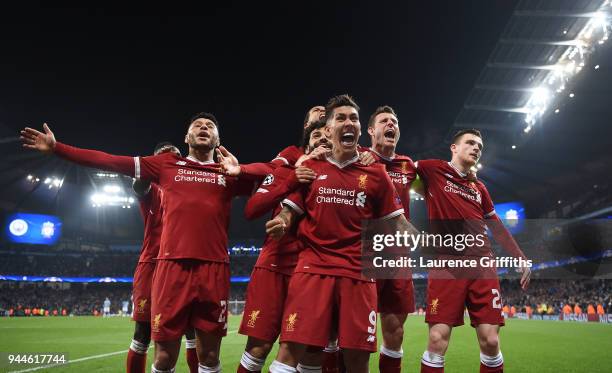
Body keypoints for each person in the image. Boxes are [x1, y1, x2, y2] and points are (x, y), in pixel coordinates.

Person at [21, 113, 254, 373]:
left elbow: (274, 177)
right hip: (171, 269)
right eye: (197, 125)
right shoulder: (167, 165)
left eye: (210, 126)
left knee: (209, 357)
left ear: (218, 139)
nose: (203, 128)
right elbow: (110, 161)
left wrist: (242, 170)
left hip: (214, 269)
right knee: (164, 357)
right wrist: (58, 149)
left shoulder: (228, 174)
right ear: (187, 137)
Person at [265, 95, 419, 373]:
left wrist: (421, 237)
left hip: (359, 275)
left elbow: (398, 221)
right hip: (313, 270)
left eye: (353, 118)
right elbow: (291, 210)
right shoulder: (311, 167)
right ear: (327, 130)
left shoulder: (377, 173)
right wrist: (283, 220)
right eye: (341, 118)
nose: (349, 123)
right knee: (292, 349)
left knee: (358, 358)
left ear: (360, 129)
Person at [416, 129, 531, 373]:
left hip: (482, 266)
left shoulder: (479, 188)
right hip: (446, 265)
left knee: (490, 341)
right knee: (437, 340)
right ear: (454, 147)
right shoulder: (432, 169)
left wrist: (520, 257)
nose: (477, 148)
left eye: (479, 145)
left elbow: (497, 226)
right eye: (470, 143)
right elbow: (398, 169)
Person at [233, 119, 331, 373]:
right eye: (316, 134)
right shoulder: (286, 170)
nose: (322, 138)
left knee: (312, 353)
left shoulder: (342, 178)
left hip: (315, 272)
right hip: (276, 266)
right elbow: (252, 209)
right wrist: (292, 180)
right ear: (306, 143)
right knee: (258, 347)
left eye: (327, 134)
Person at [127, 142, 199, 373]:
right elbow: (139, 186)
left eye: (176, 155)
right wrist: (149, 169)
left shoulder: (190, 188)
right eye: (163, 157)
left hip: (183, 264)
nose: (171, 159)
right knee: (143, 333)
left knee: (192, 332)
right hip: (152, 265)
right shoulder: (152, 189)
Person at [366, 106, 416, 373]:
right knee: (353, 332)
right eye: (384, 121)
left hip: (398, 257)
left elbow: (437, 183)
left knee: (395, 333)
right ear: (371, 131)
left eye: (394, 122)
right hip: (364, 255)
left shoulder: (408, 165)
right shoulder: (358, 157)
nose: (391, 124)